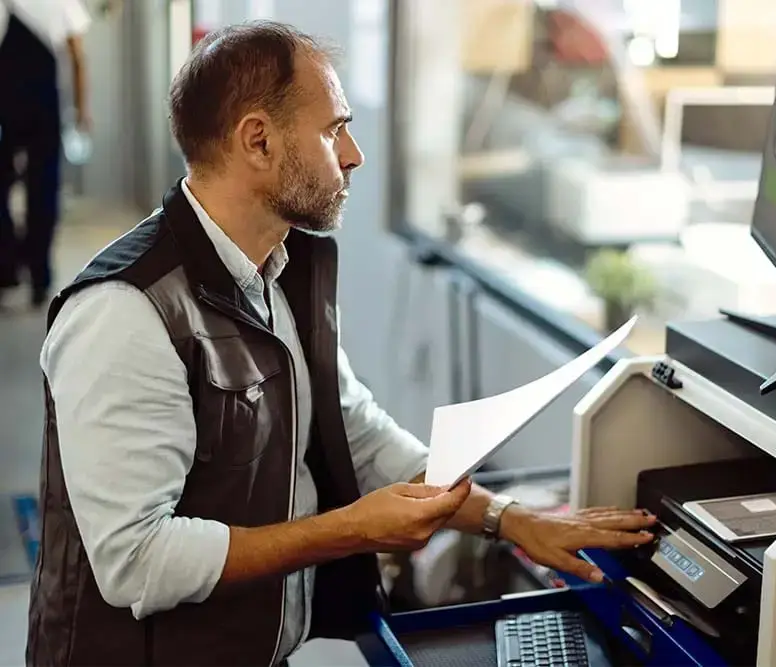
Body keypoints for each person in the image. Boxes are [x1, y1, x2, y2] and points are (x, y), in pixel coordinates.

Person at [27, 21, 655, 666]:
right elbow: (136, 562)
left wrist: (511, 519)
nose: (353, 154)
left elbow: (353, 430)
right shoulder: (124, 311)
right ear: (258, 140)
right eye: (332, 130)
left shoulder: (283, 268)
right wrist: (351, 530)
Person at [0, 0, 91, 308]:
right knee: (43, 189)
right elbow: (77, 56)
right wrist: (81, 109)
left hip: (5, 105)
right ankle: (40, 275)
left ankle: (7, 266)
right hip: (44, 105)